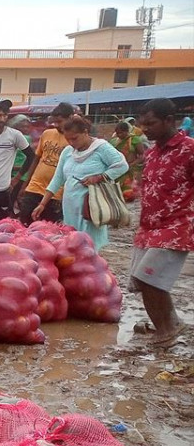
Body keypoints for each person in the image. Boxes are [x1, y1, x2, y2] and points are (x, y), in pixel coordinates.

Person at [129, 98, 193, 348]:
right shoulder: (152, 151)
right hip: (149, 227)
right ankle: (170, 324)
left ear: (169, 120)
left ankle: (166, 332)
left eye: (151, 123)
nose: (145, 129)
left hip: (176, 225)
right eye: (142, 124)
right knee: (141, 280)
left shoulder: (189, 149)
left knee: (149, 278)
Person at [31, 115, 128, 251]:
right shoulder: (68, 152)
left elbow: (122, 166)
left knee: (89, 247)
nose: (71, 142)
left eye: (75, 138)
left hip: (91, 206)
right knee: (72, 244)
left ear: (85, 132)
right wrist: (42, 204)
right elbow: (58, 178)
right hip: (71, 206)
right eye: (68, 139)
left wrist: (99, 177)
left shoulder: (101, 148)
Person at [17, 103, 74, 223]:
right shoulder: (47, 134)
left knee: (48, 228)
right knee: (25, 223)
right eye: (54, 122)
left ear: (70, 118)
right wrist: (25, 184)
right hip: (35, 187)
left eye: (60, 121)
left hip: (56, 193)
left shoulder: (74, 139)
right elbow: (36, 159)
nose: (57, 125)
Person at [109, 120, 147, 198]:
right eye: (117, 133)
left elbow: (142, 155)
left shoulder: (134, 139)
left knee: (128, 194)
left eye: (121, 132)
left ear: (127, 131)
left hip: (130, 169)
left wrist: (132, 164)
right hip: (117, 169)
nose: (119, 135)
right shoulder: (113, 142)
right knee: (116, 193)